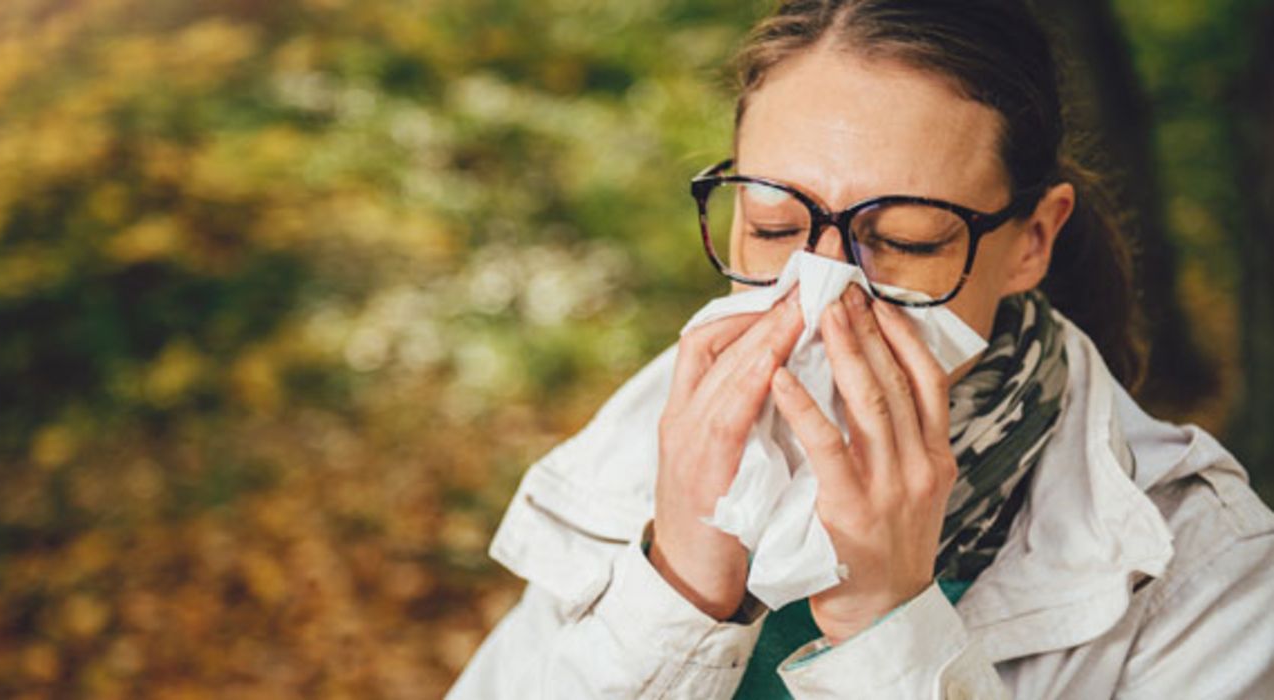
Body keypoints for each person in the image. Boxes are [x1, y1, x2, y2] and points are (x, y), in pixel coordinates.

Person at [448, 1, 1274, 697]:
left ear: (1032, 239)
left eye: (907, 240)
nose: (824, 293)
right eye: (774, 226)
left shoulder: (1209, 572)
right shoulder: (648, 438)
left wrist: (884, 619)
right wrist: (677, 590)